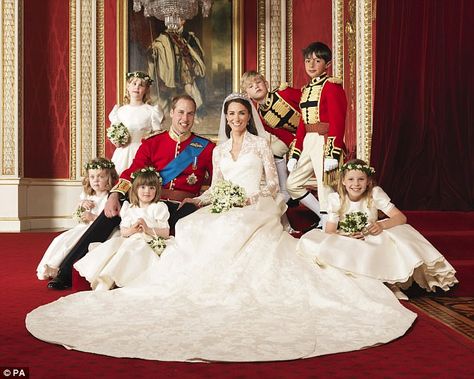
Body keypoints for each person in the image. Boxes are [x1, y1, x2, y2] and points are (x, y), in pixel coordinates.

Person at [27, 94, 416, 362]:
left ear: (246, 116)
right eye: (229, 115)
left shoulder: (237, 146)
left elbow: (267, 184)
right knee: (184, 225)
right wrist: (190, 198)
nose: (235, 120)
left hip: (248, 204)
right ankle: (74, 269)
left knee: (216, 227)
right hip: (179, 198)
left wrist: (239, 198)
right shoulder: (185, 146)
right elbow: (205, 185)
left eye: (241, 114)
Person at [47, 94, 214, 290]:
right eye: (180, 112)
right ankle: (66, 272)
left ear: (195, 116)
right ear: (171, 113)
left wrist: (199, 200)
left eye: (190, 114)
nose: (184, 119)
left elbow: (216, 182)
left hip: (180, 207)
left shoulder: (206, 148)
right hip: (148, 200)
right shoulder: (153, 143)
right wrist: (114, 195)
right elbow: (131, 173)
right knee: (110, 214)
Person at [298, 159, 458, 298]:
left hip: (372, 235)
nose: (356, 184)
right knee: (330, 245)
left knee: (391, 238)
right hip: (348, 236)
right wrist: (346, 235)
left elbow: (401, 218)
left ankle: (390, 282)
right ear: (343, 182)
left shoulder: (374, 194)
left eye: (361, 179)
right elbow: (330, 230)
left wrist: (381, 225)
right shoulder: (336, 199)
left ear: (368, 181)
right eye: (351, 179)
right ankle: (362, 284)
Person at [74, 167, 170, 291]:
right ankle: (104, 279)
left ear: (157, 190)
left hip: (149, 241)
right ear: (135, 189)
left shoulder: (158, 207)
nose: (147, 191)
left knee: (131, 251)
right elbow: (124, 231)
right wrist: (133, 230)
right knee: (112, 248)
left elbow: (166, 232)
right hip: (131, 238)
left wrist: (147, 229)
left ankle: (111, 278)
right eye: (143, 187)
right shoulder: (129, 208)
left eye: (152, 188)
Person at [286, 42, 347, 230]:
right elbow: (303, 124)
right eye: (307, 61)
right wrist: (295, 154)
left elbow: (338, 121)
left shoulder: (332, 87)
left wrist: (332, 152)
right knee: (292, 183)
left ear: (327, 64)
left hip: (325, 139)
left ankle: (327, 221)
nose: (311, 65)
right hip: (309, 140)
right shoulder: (306, 89)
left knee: (324, 185)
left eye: (317, 61)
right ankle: (322, 217)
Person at [36, 158, 118, 280]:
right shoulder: (87, 196)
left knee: (72, 243)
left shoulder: (109, 198)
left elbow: (106, 221)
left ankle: (59, 268)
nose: (95, 180)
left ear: (110, 178)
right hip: (82, 227)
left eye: (100, 176)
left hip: (94, 230)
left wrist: (92, 217)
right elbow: (77, 215)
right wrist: (81, 207)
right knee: (60, 239)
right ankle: (50, 265)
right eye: (92, 177)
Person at [241, 70, 301, 203]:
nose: (256, 86)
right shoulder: (260, 115)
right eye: (251, 86)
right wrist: (295, 144)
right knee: (272, 152)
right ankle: (286, 192)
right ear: (247, 94)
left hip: (311, 130)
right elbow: (281, 133)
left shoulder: (283, 93)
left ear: (266, 84)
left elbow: (307, 105)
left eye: (258, 82)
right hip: (295, 137)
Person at [108, 71, 164, 174]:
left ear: (146, 90)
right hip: (123, 153)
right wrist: (117, 141)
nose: (137, 87)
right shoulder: (119, 111)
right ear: (128, 87)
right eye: (134, 84)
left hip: (142, 153)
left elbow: (157, 136)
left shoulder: (151, 111)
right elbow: (114, 132)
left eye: (141, 85)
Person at [148, 22, 206, 117]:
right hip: (171, 68)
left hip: (184, 68)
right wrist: (154, 50)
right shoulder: (164, 36)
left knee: (190, 90)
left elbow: (195, 52)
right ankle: (170, 115)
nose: (178, 21)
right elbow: (158, 46)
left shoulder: (188, 36)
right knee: (171, 94)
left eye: (181, 18)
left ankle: (194, 114)